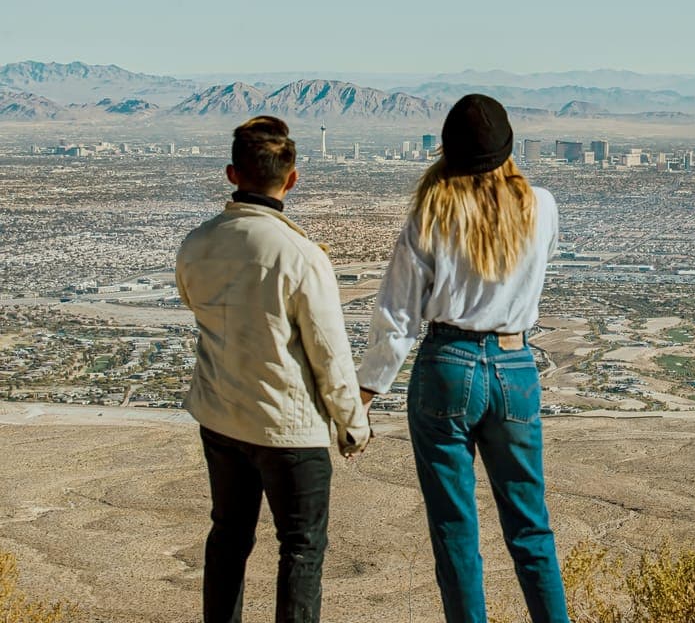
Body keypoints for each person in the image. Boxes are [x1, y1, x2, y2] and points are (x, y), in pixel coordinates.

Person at [357, 95, 568, 623]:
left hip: (447, 367)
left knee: (455, 531)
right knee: (531, 526)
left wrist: (364, 394)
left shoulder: (432, 213)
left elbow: (398, 315)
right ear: (508, 147)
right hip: (516, 367)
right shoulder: (541, 206)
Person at [175, 115, 370, 623]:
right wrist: (352, 425)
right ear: (292, 179)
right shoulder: (300, 256)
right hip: (288, 427)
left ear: (232, 174)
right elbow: (329, 352)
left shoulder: (197, 243)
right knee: (302, 548)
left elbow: (194, 304)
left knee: (228, 535)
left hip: (221, 417)